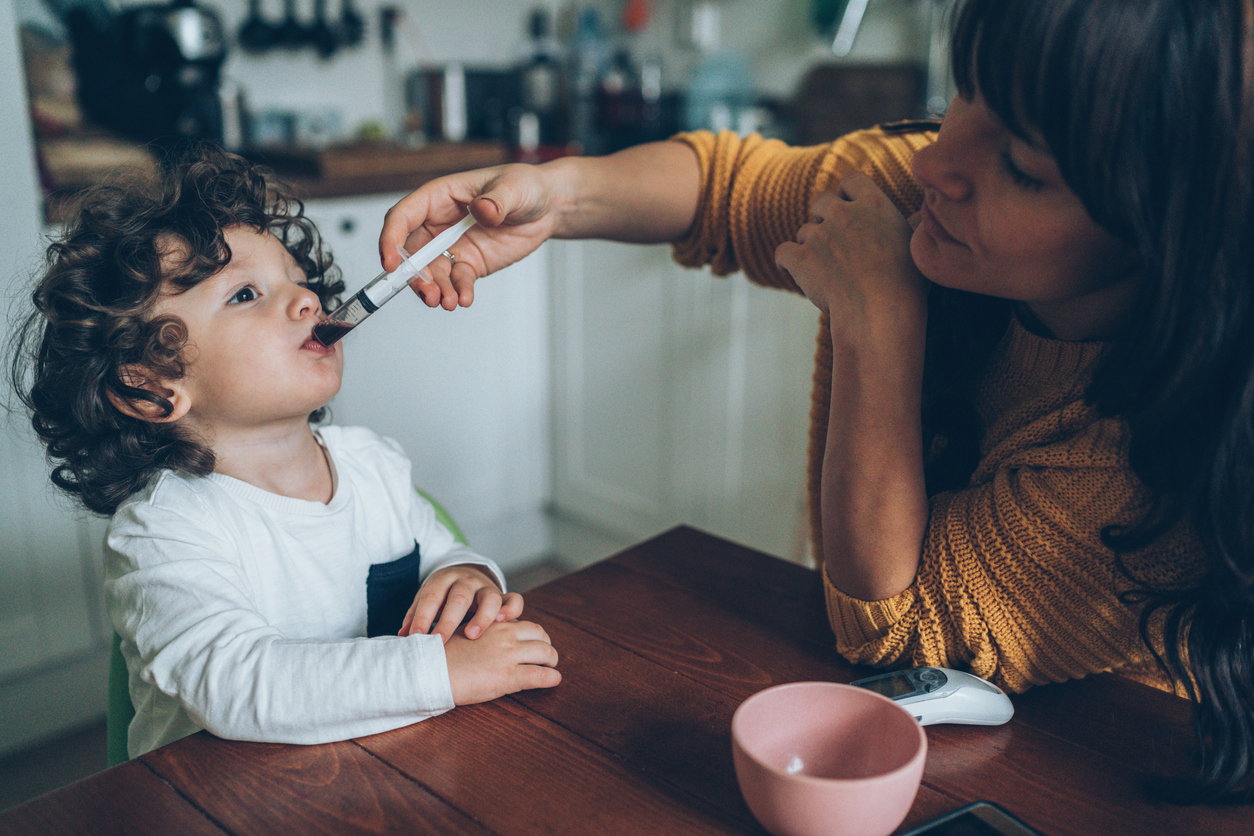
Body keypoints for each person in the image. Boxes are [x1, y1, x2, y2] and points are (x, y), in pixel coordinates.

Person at [373, 0, 1252, 801]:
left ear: (1167, 229)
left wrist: (878, 320)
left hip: (1105, 771)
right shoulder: (920, 197)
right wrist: (558, 196)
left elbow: (903, 638)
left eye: (1021, 167)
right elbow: (727, 188)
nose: (937, 160)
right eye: (967, 94)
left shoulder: (1161, 448)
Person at [8, 146, 561, 758]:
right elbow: (235, 684)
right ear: (152, 386)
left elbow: (442, 552)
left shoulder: (372, 464)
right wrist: (441, 672)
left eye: (299, 281)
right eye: (246, 294)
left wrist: (468, 577)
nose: (308, 300)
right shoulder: (164, 531)